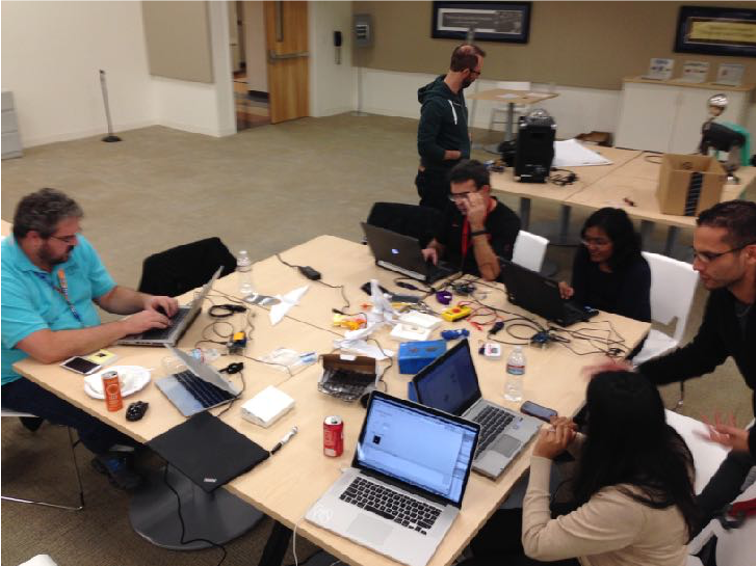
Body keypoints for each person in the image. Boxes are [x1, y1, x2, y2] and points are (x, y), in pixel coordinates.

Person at [1, 188, 179, 489]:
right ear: (34, 238)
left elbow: (108, 295)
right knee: (104, 407)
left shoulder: (72, 248)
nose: (76, 242)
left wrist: (145, 301)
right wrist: (123, 328)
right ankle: (111, 454)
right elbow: (45, 350)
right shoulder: (6, 277)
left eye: (76, 234)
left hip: (88, 348)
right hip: (21, 373)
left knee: (156, 373)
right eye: (66, 238)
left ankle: (121, 437)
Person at [462, 370, 698, 566]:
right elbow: (618, 457)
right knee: (485, 535)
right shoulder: (667, 445)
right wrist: (570, 439)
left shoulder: (627, 504)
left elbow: (536, 544)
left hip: (599, 558)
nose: (587, 421)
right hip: (614, 543)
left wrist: (542, 458)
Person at [636, 199, 755, 528]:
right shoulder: (724, 296)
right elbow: (703, 355)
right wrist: (637, 375)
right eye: (696, 252)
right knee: (706, 507)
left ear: (751, 253)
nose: (696, 265)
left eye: (710, 256)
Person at [421, 159, 519, 281]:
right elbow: (439, 242)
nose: (458, 202)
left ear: (484, 190)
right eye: (454, 196)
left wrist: (477, 226)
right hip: (452, 280)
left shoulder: (507, 221)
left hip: (484, 288)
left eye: (464, 196)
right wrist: (433, 249)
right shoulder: (453, 207)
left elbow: (490, 274)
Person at [416, 44, 485, 211]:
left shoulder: (456, 92)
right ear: (466, 72)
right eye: (477, 73)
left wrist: (462, 135)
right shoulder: (435, 103)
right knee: (434, 226)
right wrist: (458, 153)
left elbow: (451, 121)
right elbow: (425, 147)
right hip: (436, 180)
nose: (477, 77)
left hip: (452, 176)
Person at [559, 207, 651, 322]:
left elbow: (624, 318)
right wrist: (565, 295)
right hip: (590, 319)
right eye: (587, 239)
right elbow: (579, 299)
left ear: (619, 243)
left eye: (600, 242)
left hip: (628, 328)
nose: (591, 247)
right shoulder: (584, 252)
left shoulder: (637, 270)